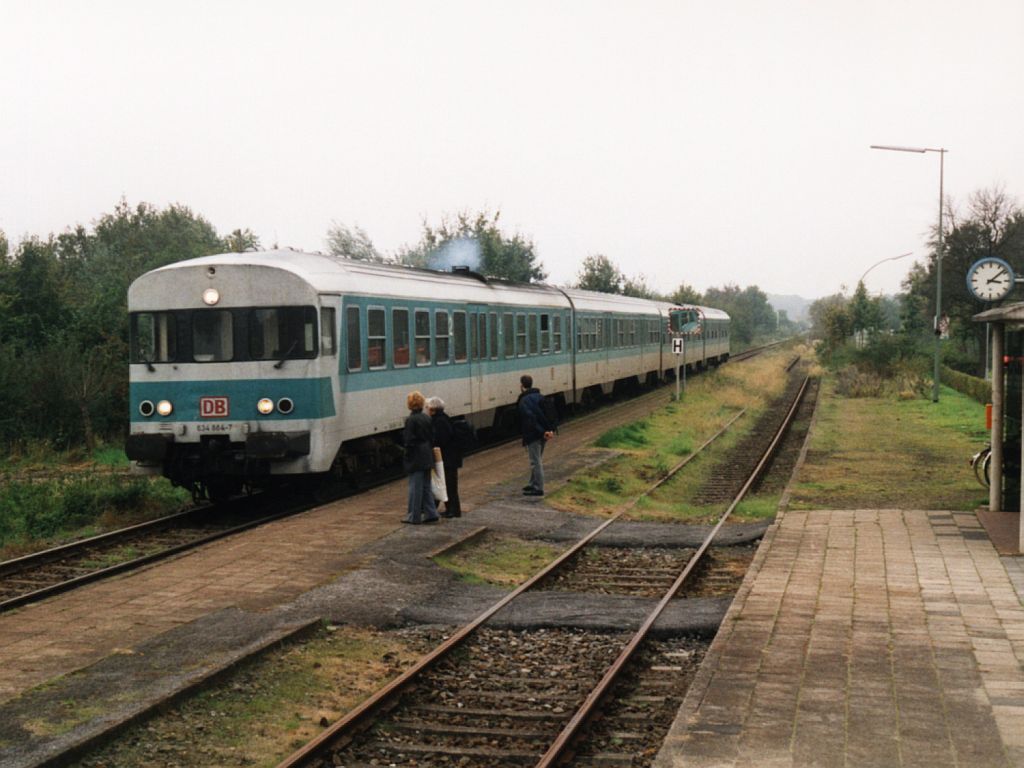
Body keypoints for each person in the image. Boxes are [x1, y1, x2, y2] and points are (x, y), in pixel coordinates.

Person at [402, 390, 439, 524]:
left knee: (415, 487)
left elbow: (409, 440)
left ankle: (414, 516)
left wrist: (406, 454)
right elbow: (432, 436)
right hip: (427, 453)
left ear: (410, 404)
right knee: (426, 486)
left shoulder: (411, 420)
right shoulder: (427, 418)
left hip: (416, 455)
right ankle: (431, 512)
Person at [516, 374, 555, 496]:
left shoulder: (524, 401)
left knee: (535, 461)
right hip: (544, 434)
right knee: (537, 459)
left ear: (522, 386)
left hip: (534, 434)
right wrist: (550, 430)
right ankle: (533, 483)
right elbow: (550, 414)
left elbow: (530, 420)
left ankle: (538, 488)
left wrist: (542, 431)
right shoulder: (540, 397)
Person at [427, 396, 462, 517]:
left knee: (449, 484)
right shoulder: (443, 418)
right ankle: (451, 509)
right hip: (450, 457)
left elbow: (441, 439)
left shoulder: (439, 421)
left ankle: (453, 510)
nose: (426, 409)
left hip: (448, 458)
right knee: (448, 484)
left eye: (428, 407)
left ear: (433, 409)